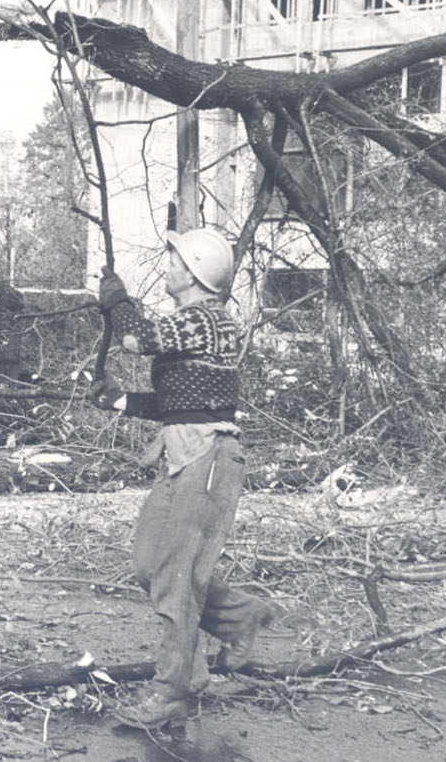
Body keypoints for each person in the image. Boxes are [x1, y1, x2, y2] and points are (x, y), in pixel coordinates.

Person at [90, 227, 273, 732]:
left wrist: (117, 301)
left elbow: (136, 339)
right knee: (151, 566)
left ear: (193, 272)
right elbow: (179, 406)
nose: (165, 267)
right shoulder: (194, 325)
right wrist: (119, 401)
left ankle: (172, 691)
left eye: (172, 260)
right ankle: (238, 618)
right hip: (184, 456)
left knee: (176, 579)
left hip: (210, 460)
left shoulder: (208, 321)